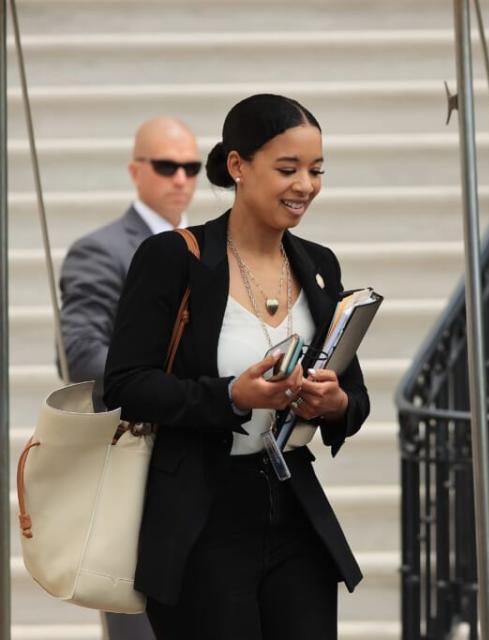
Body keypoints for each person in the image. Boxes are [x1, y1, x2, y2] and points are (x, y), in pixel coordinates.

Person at [103, 94, 369, 639]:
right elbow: (126, 386)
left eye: (316, 171)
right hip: (200, 519)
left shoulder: (318, 264)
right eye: (288, 169)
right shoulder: (172, 258)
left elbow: (354, 395)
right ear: (237, 166)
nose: (305, 186)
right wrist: (231, 397)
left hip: (294, 508)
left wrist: (334, 402)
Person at [58, 116, 200, 640]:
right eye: (167, 166)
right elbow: (81, 354)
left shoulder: (207, 249)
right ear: (136, 170)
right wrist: (177, 392)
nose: (181, 178)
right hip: (134, 466)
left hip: (202, 468)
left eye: (191, 167)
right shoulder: (102, 249)